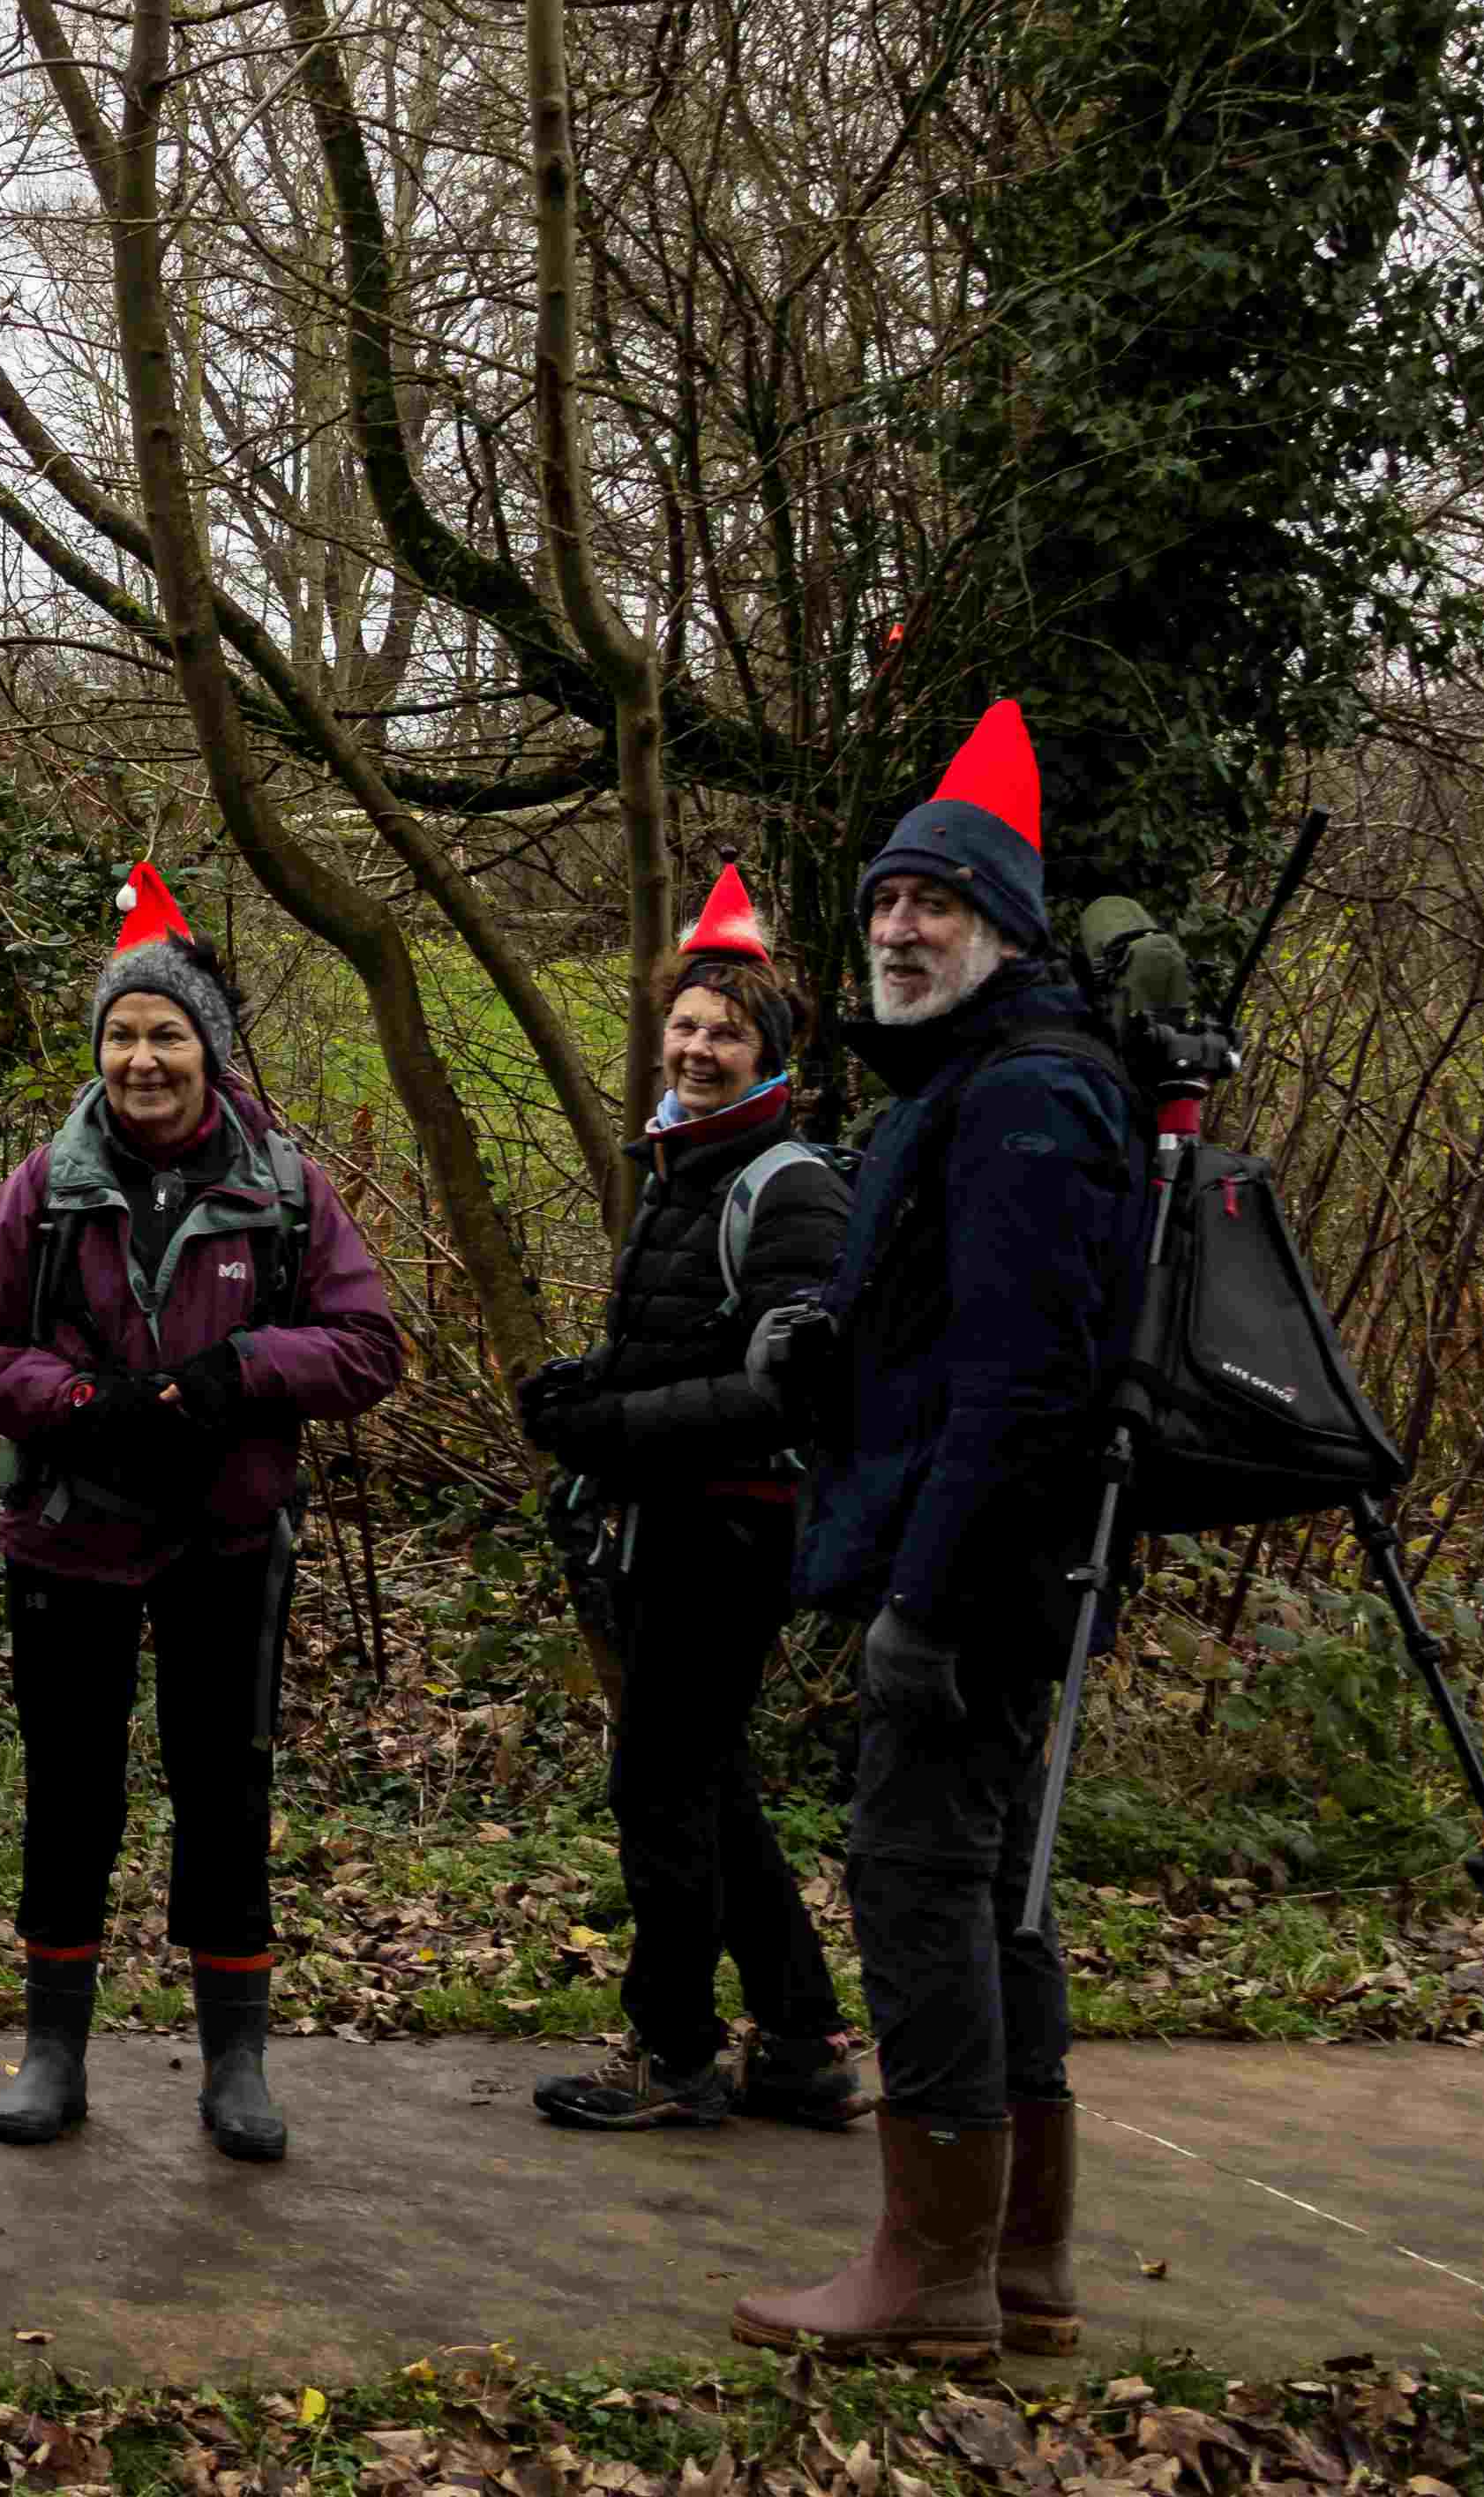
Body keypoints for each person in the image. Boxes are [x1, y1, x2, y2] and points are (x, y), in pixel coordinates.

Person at [733, 700, 1141, 2363]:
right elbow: (941, 1340)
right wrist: (823, 1358)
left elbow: (1026, 1382)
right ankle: (1021, 2256)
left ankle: (934, 2268)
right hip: (981, 1562)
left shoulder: (1031, 1099)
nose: (902, 926)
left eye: (940, 904)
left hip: (978, 1578)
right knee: (990, 1894)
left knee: (918, 1883)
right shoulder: (973, 1085)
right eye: (889, 900)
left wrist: (929, 1595)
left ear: (1008, 928)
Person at [0, 861, 408, 2163]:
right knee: (69, 1790)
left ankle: (236, 2065)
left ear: (211, 1044)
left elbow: (368, 1347)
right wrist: (79, 1400)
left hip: (227, 1538)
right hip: (69, 1536)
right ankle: (54, 2054)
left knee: (224, 1789)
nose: (143, 1059)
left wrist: (238, 1375)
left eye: (167, 1033)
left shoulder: (290, 1186)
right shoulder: (39, 1186)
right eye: (123, 1035)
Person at [514, 865, 863, 2134]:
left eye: (728, 1031)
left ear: (771, 1051)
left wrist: (612, 1426)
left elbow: (783, 1391)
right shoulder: (684, 1173)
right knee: (705, 1780)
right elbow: (683, 1353)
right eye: (687, 1025)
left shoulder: (791, 1186)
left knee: (660, 1786)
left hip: (734, 1527)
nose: (700, 1046)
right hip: (675, 1520)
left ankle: (673, 2055)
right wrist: (582, 1392)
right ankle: (805, 2040)